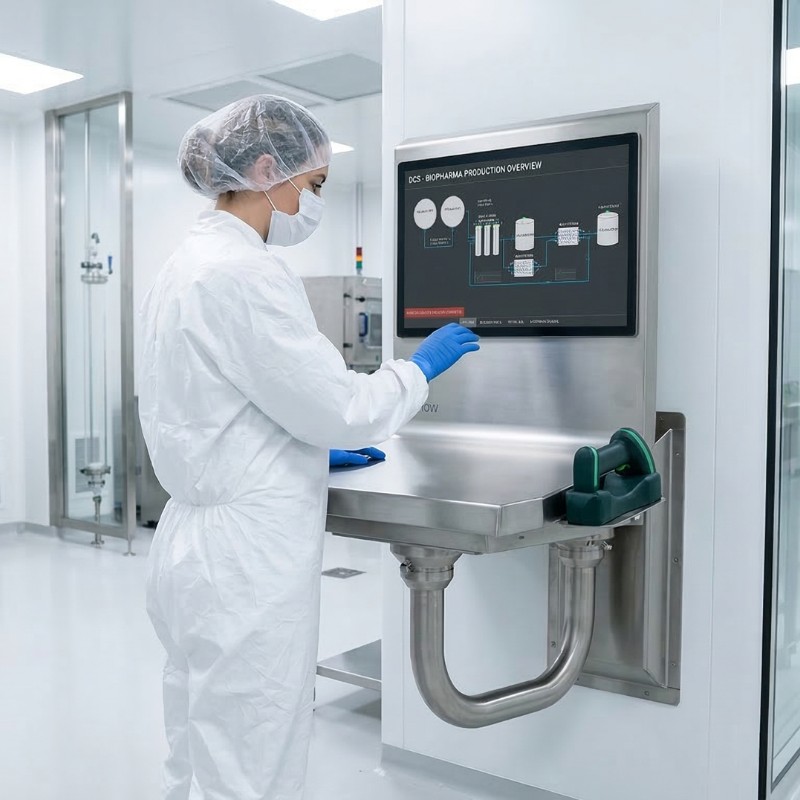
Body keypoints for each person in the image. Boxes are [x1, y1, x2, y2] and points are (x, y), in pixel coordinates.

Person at [138, 94, 479, 800]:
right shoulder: (246, 273)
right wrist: (418, 369)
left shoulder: (185, 265)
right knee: (251, 753)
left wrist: (300, 453)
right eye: (314, 183)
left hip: (190, 540)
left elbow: (211, 406)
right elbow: (342, 407)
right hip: (245, 560)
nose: (314, 198)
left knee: (199, 742)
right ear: (268, 169)